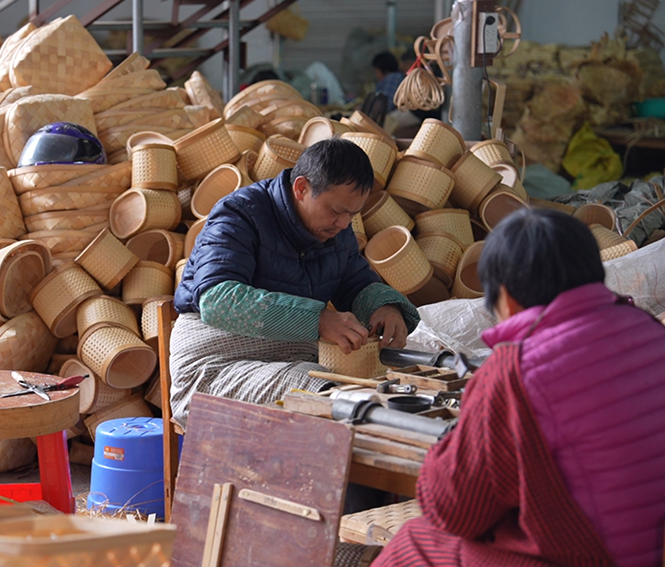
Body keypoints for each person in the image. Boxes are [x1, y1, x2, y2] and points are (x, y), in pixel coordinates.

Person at [373, 208, 665, 567]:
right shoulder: (648, 329)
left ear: (505, 299)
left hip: (599, 557)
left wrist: (448, 453)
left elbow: (455, 512)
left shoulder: (516, 370)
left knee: (414, 545)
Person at [170, 139, 419, 427]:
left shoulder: (337, 230)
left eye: (352, 214)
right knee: (327, 395)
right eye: (336, 210)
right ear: (301, 188)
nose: (343, 223)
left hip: (292, 355)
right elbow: (219, 301)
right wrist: (319, 321)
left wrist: (385, 308)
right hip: (212, 365)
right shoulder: (239, 213)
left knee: (382, 388)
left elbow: (355, 281)